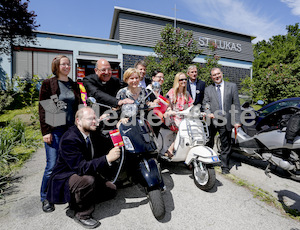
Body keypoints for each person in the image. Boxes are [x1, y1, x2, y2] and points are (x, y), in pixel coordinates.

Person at [46, 107, 121, 229]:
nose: (95, 121)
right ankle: (82, 215)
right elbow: (80, 168)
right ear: (78, 121)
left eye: (95, 118)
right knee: (87, 180)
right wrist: (107, 159)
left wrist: (118, 126)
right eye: (90, 119)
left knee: (111, 190)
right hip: (66, 176)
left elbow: (107, 141)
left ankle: (77, 200)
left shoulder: (91, 132)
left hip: (83, 172)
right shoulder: (69, 139)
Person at [39, 55, 82, 213]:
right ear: (56, 66)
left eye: (68, 64)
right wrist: (46, 131)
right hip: (56, 129)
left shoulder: (73, 85)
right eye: (63, 64)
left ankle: (66, 193)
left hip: (71, 129)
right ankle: (45, 197)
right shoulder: (49, 84)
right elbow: (44, 109)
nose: (67, 66)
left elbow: (79, 106)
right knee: (52, 165)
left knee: (69, 164)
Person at [203, 67, 241, 174]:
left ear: (222, 74)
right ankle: (207, 163)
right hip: (212, 120)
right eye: (214, 75)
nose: (216, 76)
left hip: (226, 120)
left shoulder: (232, 86)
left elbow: (236, 105)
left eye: (218, 74)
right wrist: (207, 112)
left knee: (225, 144)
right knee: (209, 142)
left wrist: (237, 120)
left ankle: (225, 166)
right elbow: (205, 104)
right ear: (211, 77)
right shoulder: (208, 89)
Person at [164, 72, 194, 158]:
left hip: (184, 117)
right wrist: (170, 110)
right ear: (177, 81)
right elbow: (167, 105)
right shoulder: (172, 92)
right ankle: (170, 149)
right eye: (181, 79)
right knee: (183, 130)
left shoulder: (186, 94)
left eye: (185, 79)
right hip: (173, 118)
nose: (184, 81)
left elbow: (191, 105)